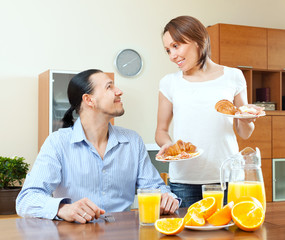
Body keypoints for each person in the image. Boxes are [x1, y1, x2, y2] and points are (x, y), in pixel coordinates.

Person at [16, 69, 179, 223]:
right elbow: (26, 199)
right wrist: (62, 208)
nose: (119, 91)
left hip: (124, 233)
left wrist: (166, 198)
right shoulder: (57, 143)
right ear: (89, 100)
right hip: (76, 234)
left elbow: (154, 187)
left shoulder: (133, 141)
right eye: (109, 87)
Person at [155, 16, 261, 208]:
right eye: (168, 50)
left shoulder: (233, 76)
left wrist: (247, 118)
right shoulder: (169, 83)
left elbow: (245, 133)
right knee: (186, 236)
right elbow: (161, 131)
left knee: (228, 236)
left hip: (227, 178)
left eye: (176, 46)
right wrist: (170, 147)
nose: (172, 55)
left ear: (198, 40)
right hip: (184, 180)